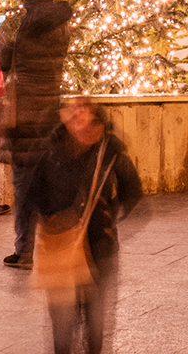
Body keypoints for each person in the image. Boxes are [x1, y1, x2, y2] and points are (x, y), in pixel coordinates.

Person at [24, 95, 143, 354]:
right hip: (61, 246)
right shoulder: (52, 149)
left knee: (94, 320)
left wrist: (111, 215)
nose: (75, 112)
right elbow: (33, 194)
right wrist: (49, 218)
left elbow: (133, 190)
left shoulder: (111, 152)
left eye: (83, 109)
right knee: (62, 324)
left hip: (99, 247)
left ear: (97, 121)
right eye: (72, 109)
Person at [0, 0, 76, 269]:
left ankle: (25, 251)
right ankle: (57, 247)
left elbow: (14, 62)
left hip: (26, 111)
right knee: (47, 183)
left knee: (25, 186)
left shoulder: (29, 17)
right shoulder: (59, 17)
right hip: (49, 108)